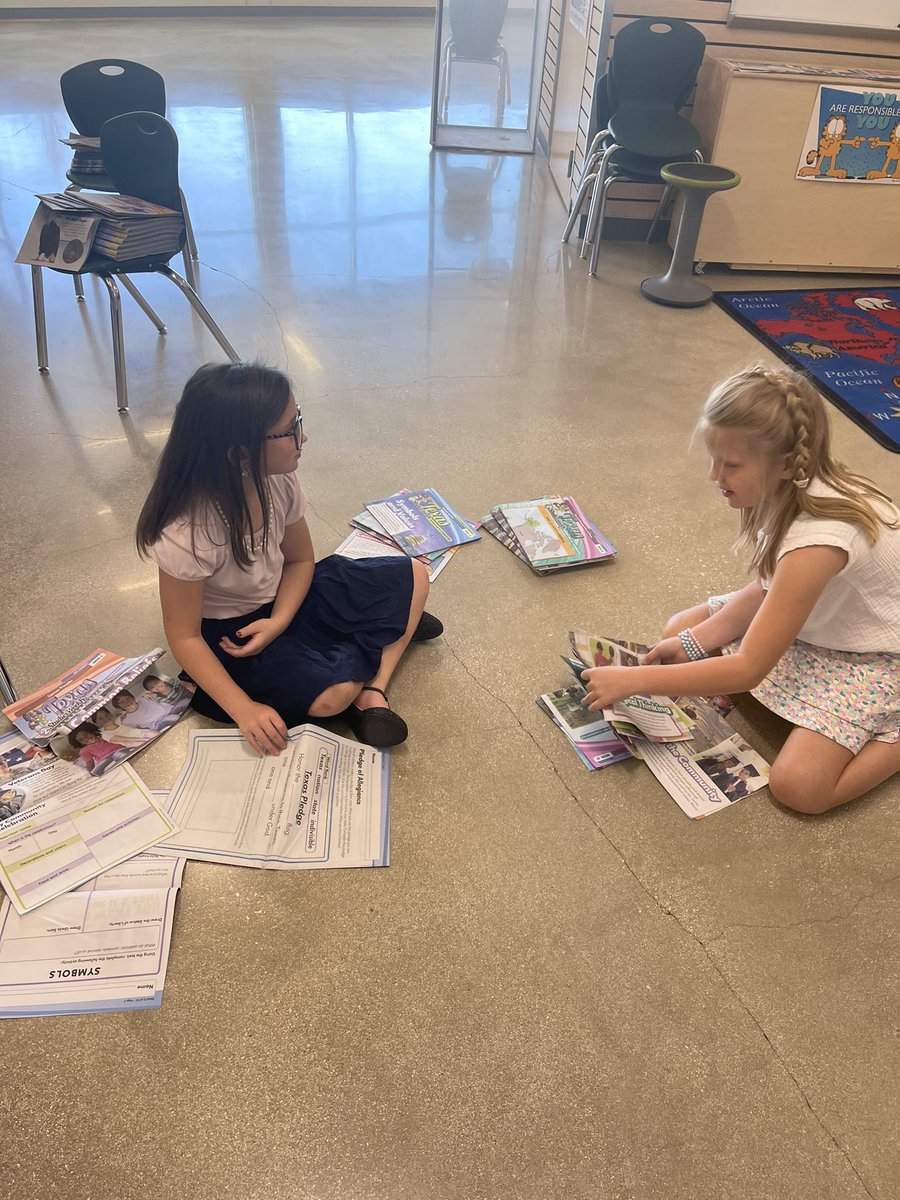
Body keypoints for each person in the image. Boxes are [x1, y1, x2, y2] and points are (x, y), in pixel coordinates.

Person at [581, 364, 899, 815]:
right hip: (820, 622)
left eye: (730, 465)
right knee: (683, 630)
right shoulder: (794, 486)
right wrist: (692, 643)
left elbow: (750, 668)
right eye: (714, 459)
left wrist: (635, 680)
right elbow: (768, 587)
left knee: (799, 787)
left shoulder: (819, 540)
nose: (715, 476)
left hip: (877, 658)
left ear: (786, 463)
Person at [135, 362, 440, 754]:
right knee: (332, 698)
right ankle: (377, 647)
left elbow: (300, 562)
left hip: (290, 596)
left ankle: (374, 688)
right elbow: (185, 637)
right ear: (240, 453)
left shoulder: (279, 478)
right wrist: (244, 709)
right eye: (290, 429)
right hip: (239, 634)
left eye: (297, 419)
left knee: (415, 573)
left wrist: (280, 619)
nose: (304, 436)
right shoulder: (186, 533)